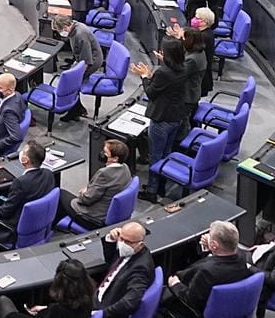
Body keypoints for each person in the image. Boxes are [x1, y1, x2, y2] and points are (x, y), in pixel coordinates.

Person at [165, 221, 254, 316]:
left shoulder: (206, 272)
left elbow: (191, 300)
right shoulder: (243, 257)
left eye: (209, 234)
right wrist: (210, 248)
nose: (207, 236)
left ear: (215, 244)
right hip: (231, 306)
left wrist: (175, 284)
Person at [135, 40, 188, 195]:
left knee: (155, 155)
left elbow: (151, 93)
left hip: (161, 119)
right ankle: (161, 184)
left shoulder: (163, 72)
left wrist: (145, 76)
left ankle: (152, 190)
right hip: (176, 117)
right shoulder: (183, 68)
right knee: (166, 152)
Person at [94, 221, 154, 317]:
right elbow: (111, 261)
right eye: (121, 238)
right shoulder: (130, 251)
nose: (122, 244)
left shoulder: (140, 269)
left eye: (127, 242)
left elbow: (130, 301)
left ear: (141, 245)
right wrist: (111, 238)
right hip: (101, 294)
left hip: (106, 306)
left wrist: (103, 314)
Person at [69, 138, 133, 226]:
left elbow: (87, 200)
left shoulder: (104, 174)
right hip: (109, 211)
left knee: (60, 194)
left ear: (115, 158)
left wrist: (83, 193)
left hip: (95, 217)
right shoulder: (125, 167)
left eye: (105, 153)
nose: (102, 154)